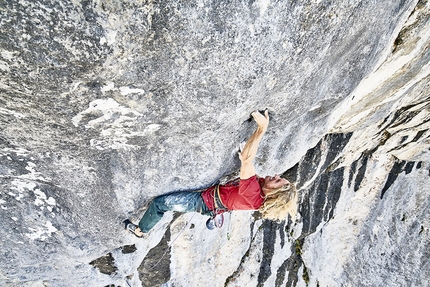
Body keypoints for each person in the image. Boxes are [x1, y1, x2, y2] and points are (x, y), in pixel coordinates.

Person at [124, 110, 298, 238]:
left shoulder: (253, 196)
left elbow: (246, 159)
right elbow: (247, 161)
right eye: (279, 177)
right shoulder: (259, 189)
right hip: (215, 198)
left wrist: (261, 130)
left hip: (204, 202)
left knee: (161, 203)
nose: (276, 175)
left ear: (273, 193)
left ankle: (141, 231)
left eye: (277, 181)